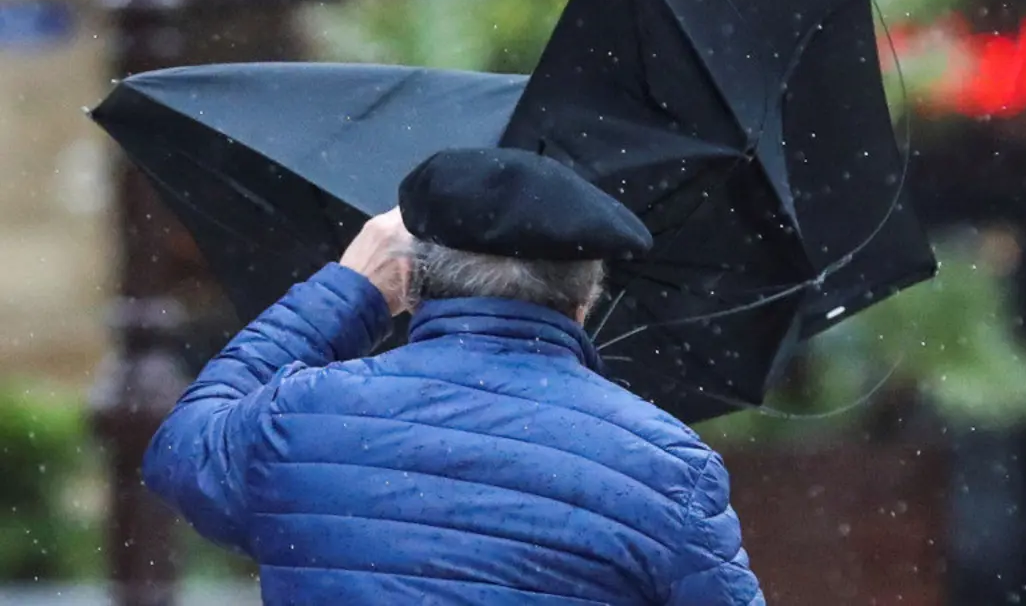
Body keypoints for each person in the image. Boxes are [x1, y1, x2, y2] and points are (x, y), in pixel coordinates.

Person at [142, 147, 766, 605]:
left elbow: (180, 450)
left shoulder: (302, 418)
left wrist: (349, 291)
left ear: (410, 281)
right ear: (585, 300)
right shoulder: (666, 468)